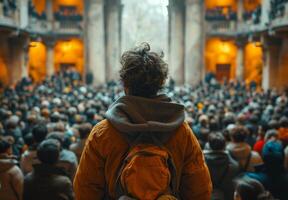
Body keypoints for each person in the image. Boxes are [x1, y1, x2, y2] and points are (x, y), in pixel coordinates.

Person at [74, 43, 212, 199]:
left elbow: (85, 190)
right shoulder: (182, 131)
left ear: (125, 85)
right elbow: (200, 190)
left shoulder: (103, 132)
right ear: (160, 84)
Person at [204, 133, 240, 200]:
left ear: (209, 145)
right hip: (226, 196)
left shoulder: (202, 164)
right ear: (224, 146)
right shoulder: (234, 166)